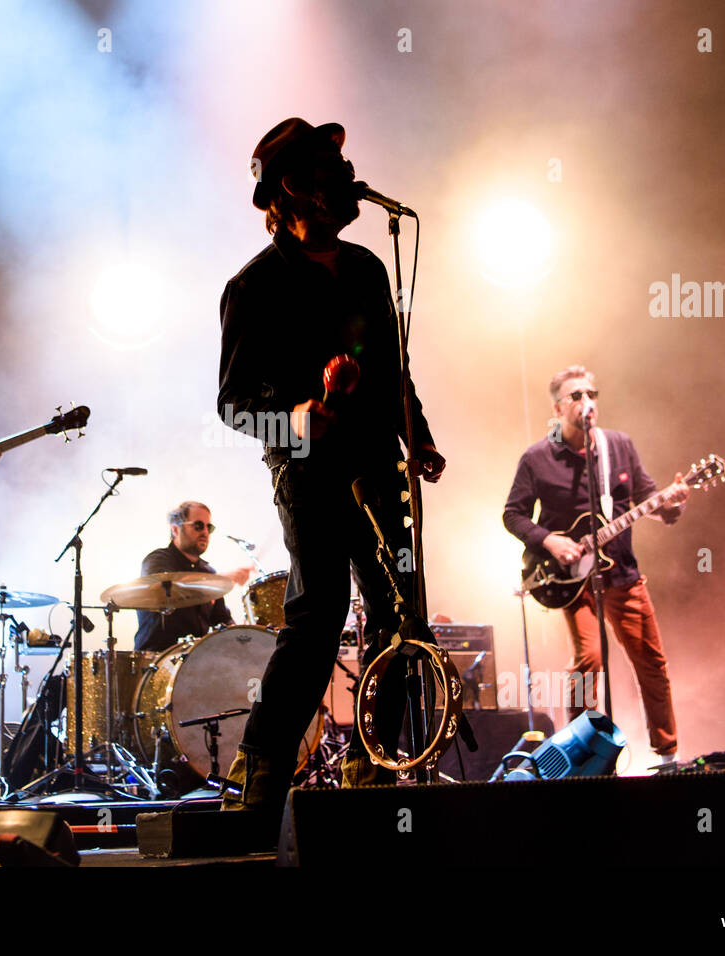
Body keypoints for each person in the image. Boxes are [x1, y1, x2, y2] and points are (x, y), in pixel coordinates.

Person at [217, 118, 445, 812]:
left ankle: (378, 763)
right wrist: (293, 419)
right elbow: (232, 405)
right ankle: (262, 767)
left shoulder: (370, 269)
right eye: (331, 168)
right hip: (310, 473)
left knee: (403, 615)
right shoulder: (253, 287)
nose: (348, 178)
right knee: (319, 615)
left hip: (378, 461)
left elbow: (393, 370)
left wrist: (419, 435)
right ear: (296, 187)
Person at [503, 365, 688, 764]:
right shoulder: (536, 458)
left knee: (651, 661)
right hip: (573, 581)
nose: (587, 403)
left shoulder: (619, 446)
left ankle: (668, 754)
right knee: (589, 661)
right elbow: (513, 514)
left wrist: (671, 505)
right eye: (576, 396)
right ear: (557, 407)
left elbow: (649, 498)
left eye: (592, 394)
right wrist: (550, 540)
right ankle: (581, 754)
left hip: (621, 572)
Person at [132, 501, 248, 653]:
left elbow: (222, 620)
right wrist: (217, 581)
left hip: (196, 660)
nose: (205, 532)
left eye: (209, 527)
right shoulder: (157, 560)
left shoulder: (208, 572)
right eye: (198, 525)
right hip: (157, 659)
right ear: (175, 529)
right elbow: (168, 587)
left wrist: (247, 633)